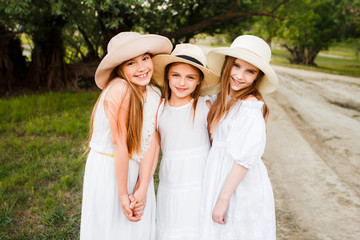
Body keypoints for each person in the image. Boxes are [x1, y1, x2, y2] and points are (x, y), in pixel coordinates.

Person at [80, 32, 172, 240]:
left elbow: (152, 143)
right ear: (120, 68)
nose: (141, 68)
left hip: (139, 168)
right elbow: (119, 144)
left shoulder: (154, 93)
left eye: (145, 59)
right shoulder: (119, 89)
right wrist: (123, 193)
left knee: (136, 227)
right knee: (112, 227)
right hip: (110, 169)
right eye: (131, 63)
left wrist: (143, 186)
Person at [200, 35, 279, 240]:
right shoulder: (222, 99)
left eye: (250, 71)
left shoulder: (249, 107)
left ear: (257, 77)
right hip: (219, 176)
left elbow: (243, 160)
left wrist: (224, 199)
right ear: (228, 65)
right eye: (236, 66)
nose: (240, 76)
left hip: (238, 184)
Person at [151, 44, 219, 240]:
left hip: (198, 178)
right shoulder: (159, 108)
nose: (182, 82)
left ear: (199, 82)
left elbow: (217, 142)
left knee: (194, 226)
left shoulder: (204, 107)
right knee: (171, 223)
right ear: (167, 77)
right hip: (171, 179)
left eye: (190, 77)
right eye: (176, 75)